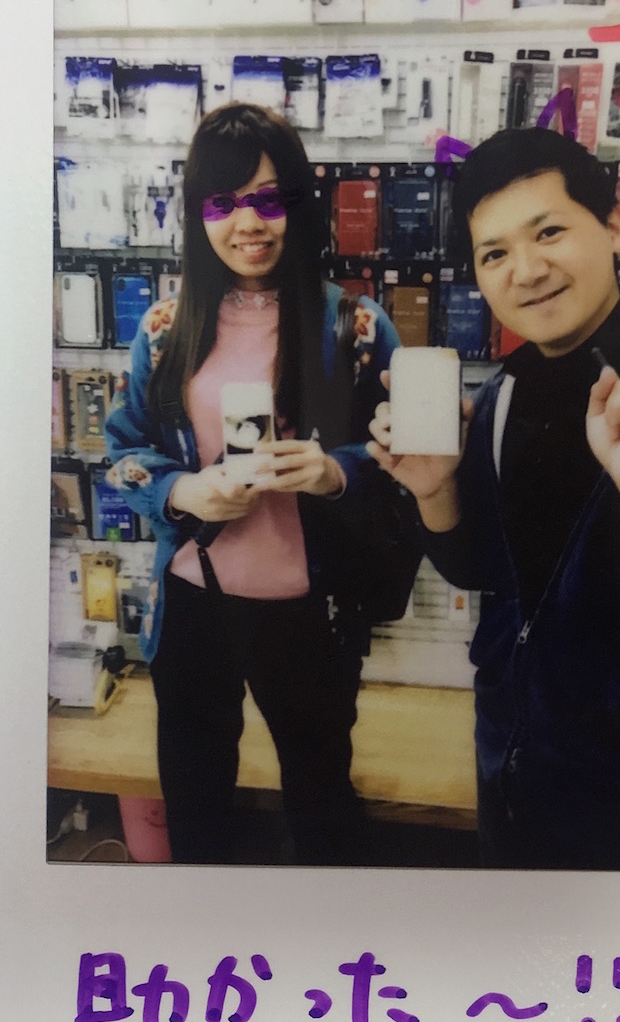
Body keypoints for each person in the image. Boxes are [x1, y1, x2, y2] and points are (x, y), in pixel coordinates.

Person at [369, 127, 620, 871]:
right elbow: (485, 573)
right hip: (513, 783)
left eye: (549, 232)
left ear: (612, 224)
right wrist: (436, 491)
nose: (527, 270)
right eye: (494, 253)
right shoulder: (502, 397)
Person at [105, 103, 400, 865]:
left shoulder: (357, 326)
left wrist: (337, 472)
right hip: (193, 600)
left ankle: (325, 936)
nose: (248, 223)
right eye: (223, 202)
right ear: (198, 212)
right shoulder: (166, 328)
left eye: (269, 199)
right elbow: (123, 450)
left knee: (323, 807)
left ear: (297, 202)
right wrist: (183, 491)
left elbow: (409, 465)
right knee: (196, 804)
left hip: (309, 613)